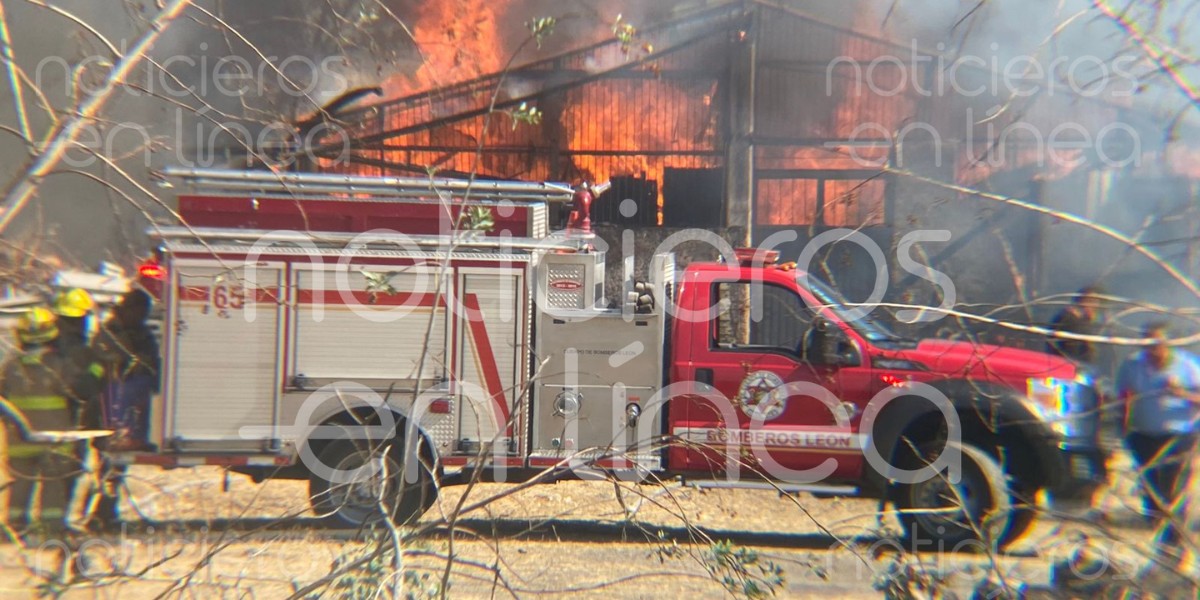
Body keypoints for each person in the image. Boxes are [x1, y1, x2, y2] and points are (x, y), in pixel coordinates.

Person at [0, 308, 101, 538]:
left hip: (20, 441)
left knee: (20, 485)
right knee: (53, 486)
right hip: (53, 441)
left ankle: (14, 528)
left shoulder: (11, 366)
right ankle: (51, 528)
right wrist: (96, 370)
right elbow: (82, 391)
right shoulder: (58, 365)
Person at [1117, 321, 1200, 556]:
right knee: (1152, 488)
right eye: (1147, 344)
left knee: (1173, 487)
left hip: (1179, 435)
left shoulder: (1188, 366)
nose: (1152, 350)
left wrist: (1180, 393)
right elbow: (1123, 397)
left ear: (1168, 344)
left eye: (1157, 344)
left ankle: (1175, 541)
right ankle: (1159, 534)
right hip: (1143, 435)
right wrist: (1122, 429)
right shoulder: (1133, 365)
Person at [94, 288, 160, 451]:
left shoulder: (143, 333)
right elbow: (100, 354)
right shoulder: (110, 331)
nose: (142, 316)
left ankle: (137, 438)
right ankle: (118, 439)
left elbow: (152, 358)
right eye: (140, 311)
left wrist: (150, 371)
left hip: (136, 383)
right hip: (112, 384)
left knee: (142, 388)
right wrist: (122, 362)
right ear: (129, 309)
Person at [1047, 285, 1105, 365]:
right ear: (1079, 302)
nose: (1093, 306)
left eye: (1096, 302)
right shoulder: (1069, 319)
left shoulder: (1096, 323)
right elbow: (1072, 351)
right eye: (1089, 301)